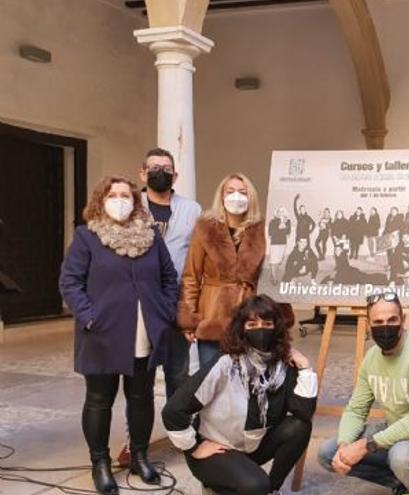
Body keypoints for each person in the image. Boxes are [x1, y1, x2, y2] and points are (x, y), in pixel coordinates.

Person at [59, 176, 179, 495]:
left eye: (126, 194)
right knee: (99, 400)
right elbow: (70, 282)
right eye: (113, 195)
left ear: (136, 201)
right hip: (101, 334)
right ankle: (100, 462)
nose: (120, 199)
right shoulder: (87, 237)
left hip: (144, 332)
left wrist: (165, 312)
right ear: (101, 200)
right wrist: (88, 317)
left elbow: (169, 277)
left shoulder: (151, 236)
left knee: (140, 399)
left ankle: (139, 456)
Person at [163, 295, 317, 495]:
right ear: (241, 329)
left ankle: (272, 489)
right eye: (252, 324)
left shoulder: (284, 366)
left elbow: (303, 413)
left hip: (251, 447)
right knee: (255, 485)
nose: (260, 330)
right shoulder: (226, 364)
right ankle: (220, 483)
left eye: (267, 323)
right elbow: (174, 410)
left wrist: (305, 367)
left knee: (300, 427)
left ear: (277, 328)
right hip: (217, 449)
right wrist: (194, 448)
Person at [318, 292, 409, 495]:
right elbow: (356, 409)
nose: (385, 327)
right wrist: (346, 445)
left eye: (392, 320)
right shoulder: (371, 358)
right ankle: (403, 485)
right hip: (398, 431)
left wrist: (364, 445)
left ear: (403, 320)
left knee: (402, 456)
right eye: (378, 321)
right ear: (369, 326)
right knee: (330, 453)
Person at [178, 173, 265, 366]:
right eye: (230, 191)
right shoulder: (205, 228)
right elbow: (191, 276)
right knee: (211, 379)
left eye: (243, 192)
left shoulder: (261, 230)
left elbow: (270, 276)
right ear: (222, 196)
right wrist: (189, 319)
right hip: (212, 315)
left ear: (251, 197)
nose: (237, 196)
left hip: (250, 315)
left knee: (246, 381)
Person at [137, 147, 202, 398]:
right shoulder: (131, 206)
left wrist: (192, 305)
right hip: (140, 302)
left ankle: (179, 432)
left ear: (175, 176)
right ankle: (137, 435)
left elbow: (197, 256)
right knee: (140, 375)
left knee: (178, 372)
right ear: (142, 174)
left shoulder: (192, 209)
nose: (160, 173)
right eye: (154, 168)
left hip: (177, 301)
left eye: (166, 169)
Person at [267, 207, 292, 284]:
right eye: (279, 211)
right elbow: (270, 233)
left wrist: (283, 225)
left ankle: (272, 274)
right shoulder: (272, 221)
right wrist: (279, 227)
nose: (281, 213)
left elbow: (288, 232)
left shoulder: (288, 221)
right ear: (277, 213)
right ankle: (274, 278)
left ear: (285, 213)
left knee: (279, 260)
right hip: (274, 243)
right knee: (274, 260)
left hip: (283, 243)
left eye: (283, 211)